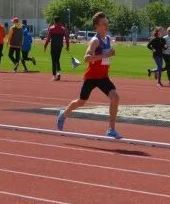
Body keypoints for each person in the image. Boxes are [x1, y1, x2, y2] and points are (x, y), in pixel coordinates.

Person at [57, 11, 121, 139]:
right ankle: (64, 114)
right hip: (91, 77)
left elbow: (105, 58)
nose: (106, 25)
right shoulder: (95, 41)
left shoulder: (108, 39)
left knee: (115, 97)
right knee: (81, 102)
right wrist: (105, 55)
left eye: (107, 23)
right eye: (103, 24)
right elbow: (86, 58)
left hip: (103, 77)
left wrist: (109, 55)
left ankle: (111, 129)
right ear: (97, 26)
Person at [44, 16, 70, 81]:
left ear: (54, 21)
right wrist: (67, 46)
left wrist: (45, 46)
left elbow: (48, 39)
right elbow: (67, 38)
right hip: (60, 46)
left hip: (53, 46)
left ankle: (54, 75)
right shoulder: (63, 29)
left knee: (53, 60)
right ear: (59, 21)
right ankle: (58, 73)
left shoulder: (51, 28)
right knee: (57, 60)